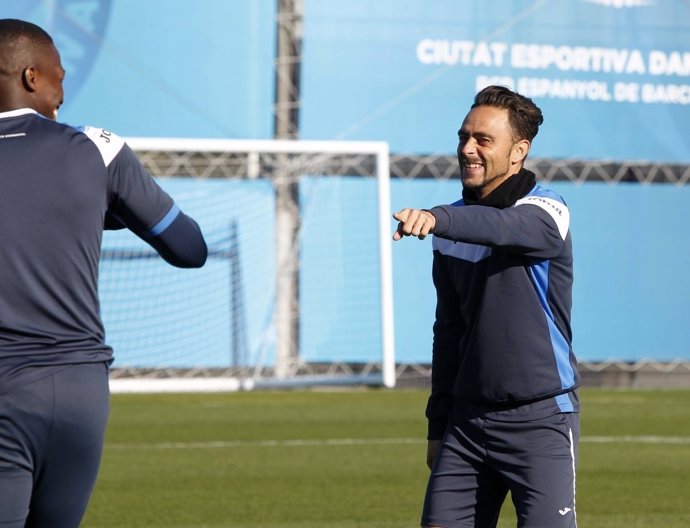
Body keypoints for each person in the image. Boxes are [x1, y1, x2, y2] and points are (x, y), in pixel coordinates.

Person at [0, 18, 207, 527]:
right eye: (58, 78)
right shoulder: (99, 149)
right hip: (80, 393)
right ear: (31, 77)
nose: (62, 95)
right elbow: (189, 248)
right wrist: (92, 214)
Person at [393, 85, 579, 528]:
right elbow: (449, 333)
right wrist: (438, 425)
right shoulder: (451, 228)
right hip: (466, 426)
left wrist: (440, 217)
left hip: (540, 421)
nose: (468, 149)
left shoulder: (548, 210)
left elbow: (503, 225)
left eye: (483, 140)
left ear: (519, 151)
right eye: (464, 137)